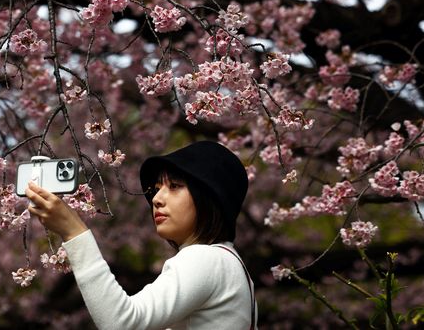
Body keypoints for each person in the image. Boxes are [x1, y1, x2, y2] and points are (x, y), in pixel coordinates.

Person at [25, 140, 257, 330]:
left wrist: (73, 231)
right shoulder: (228, 262)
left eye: (174, 186)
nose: (157, 199)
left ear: (209, 199)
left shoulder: (207, 259)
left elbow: (122, 323)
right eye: (157, 189)